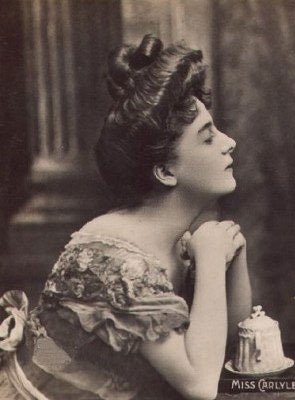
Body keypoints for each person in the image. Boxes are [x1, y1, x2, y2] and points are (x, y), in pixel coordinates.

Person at [0, 34, 251, 399]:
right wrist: (212, 259)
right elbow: (200, 386)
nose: (230, 142)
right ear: (165, 171)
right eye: (208, 137)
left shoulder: (174, 240)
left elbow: (226, 338)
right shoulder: (115, 262)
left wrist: (233, 254)